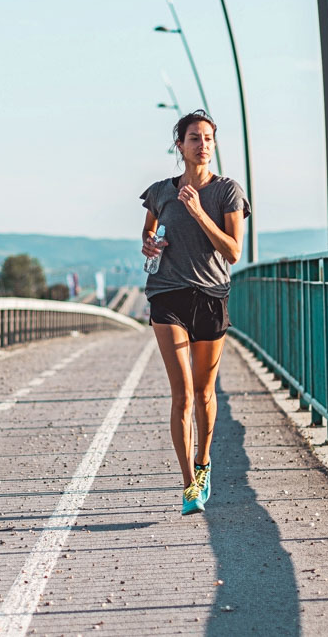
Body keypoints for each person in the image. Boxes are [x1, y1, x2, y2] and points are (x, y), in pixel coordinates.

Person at [140, 109, 250, 515]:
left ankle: (204, 462)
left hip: (210, 296)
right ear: (179, 146)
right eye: (193, 138)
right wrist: (149, 244)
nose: (201, 144)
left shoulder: (227, 192)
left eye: (207, 138)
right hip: (167, 295)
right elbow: (149, 229)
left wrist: (199, 213)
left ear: (214, 144)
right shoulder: (160, 191)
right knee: (183, 393)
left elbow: (234, 251)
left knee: (205, 393)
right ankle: (189, 484)